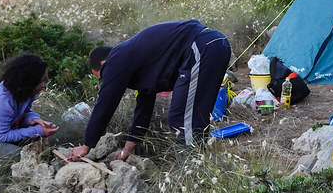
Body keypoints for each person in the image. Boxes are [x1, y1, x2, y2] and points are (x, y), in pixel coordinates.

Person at [67, 20, 231, 162]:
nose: (106, 80)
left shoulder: (115, 58)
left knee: (180, 118)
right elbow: (144, 107)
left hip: (202, 45)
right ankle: (201, 167)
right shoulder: (138, 64)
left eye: (102, 76)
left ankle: (192, 171)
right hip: (214, 45)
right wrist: (128, 148)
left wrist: (87, 145)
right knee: (194, 115)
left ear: (104, 63)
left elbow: (106, 102)